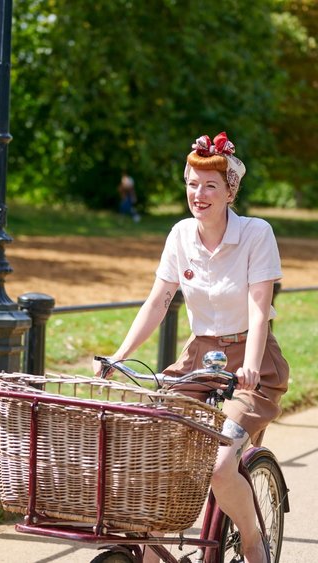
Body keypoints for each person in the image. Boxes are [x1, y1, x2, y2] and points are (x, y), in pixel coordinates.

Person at [93, 132, 288, 563]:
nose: (198, 194)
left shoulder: (256, 234)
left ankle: (253, 538)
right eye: (192, 183)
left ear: (229, 191)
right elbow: (158, 300)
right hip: (199, 360)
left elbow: (259, 311)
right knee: (151, 443)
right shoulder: (180, 235)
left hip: (250, 364)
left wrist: (251, 367)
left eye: (210, 186)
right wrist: (120, 355)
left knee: (220, 466)